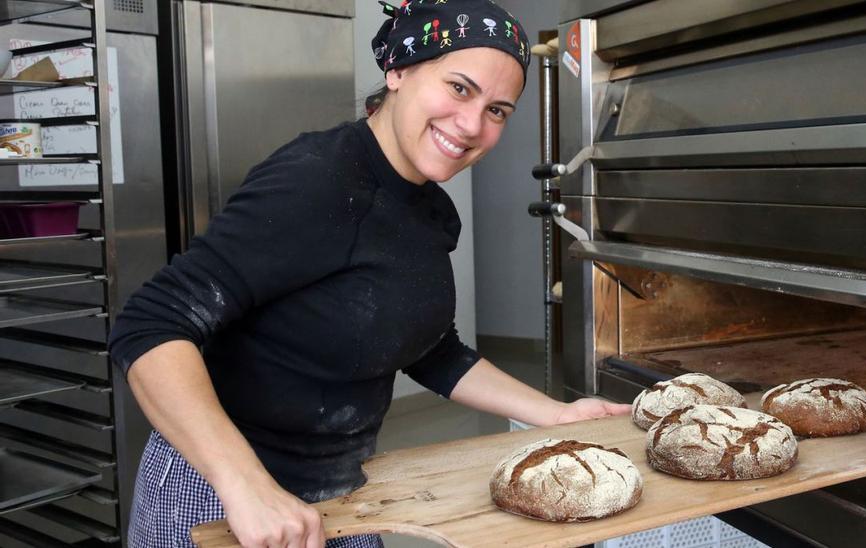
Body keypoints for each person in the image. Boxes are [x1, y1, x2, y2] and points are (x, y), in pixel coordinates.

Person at [108, 2, 629, 547]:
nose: (473, 124)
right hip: (222, 493)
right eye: (458, 88)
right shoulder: (318, 178)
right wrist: (245, 485)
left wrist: (556, 415)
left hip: (346, 492)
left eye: (498, 110)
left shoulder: (429, 209)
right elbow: (150, 326)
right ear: (399, 71)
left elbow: (428, 349)